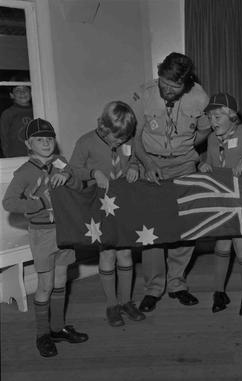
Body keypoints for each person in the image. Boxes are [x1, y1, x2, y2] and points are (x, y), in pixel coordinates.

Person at [131, 52, 211, 312]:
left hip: (184, 165)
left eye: (174, 87)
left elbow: (204, 130)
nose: (167, 90)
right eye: (164, 83)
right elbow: (135, 138)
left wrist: (183, 149)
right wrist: (149, 163)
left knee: (183, 226)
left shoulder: (199, 97)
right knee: (151, 227)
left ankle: (177, 283)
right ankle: (154, 288)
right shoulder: (144, 93)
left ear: (186, 84)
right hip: (150, 163)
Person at [2, 118, 88, 358]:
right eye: (40, 139)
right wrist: (40, 202)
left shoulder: (61, 163)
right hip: (41, 233)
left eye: (49, 138)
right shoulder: (25, 172)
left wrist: (68, 178)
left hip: (65, 230)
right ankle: (42, 334)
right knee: (45, 284)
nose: (46, 143)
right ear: (29, 143)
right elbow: (8, 202)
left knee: (62, 280)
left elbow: (79, 186)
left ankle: (57, 327)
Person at [69, 101, 145, 327]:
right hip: (100, 205)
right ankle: (112, 305)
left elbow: (133, 158)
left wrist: (134, 167)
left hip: (123, 204)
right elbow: (72, 169)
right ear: (103, 127)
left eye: (125, 138)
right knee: (108, 254)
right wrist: (93, 172)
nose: (121, 142)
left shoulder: (126, 139)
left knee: (125, 254)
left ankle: (126, 302)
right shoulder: (86, 142)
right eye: (117, 138)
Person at [198, 93, 242, 315]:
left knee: (241, 245)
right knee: (221, 246)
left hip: (240, 198)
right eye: (210, 117)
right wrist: (203, 166)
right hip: (221, 199)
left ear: (232, 115)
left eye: (218, 116)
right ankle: (219, 292)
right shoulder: (211, 138)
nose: (213, 122)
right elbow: (209, 162)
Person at [0, 75, 33, 157]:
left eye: (25, 89)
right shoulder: (8, 114)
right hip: (15, 157)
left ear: (31, 93)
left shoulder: (39, 110)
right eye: (18, 90)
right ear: (11, 95)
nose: (22, 92)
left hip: (37, 157)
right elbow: (4, 138)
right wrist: (8, 156)